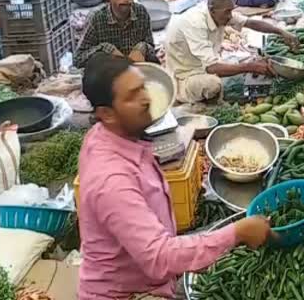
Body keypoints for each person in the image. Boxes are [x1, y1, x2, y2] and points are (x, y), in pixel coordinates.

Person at [77, 55, 273, 299]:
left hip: (149, 279)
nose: (146, 99)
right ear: (106, 113)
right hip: (127, 293)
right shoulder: (111, 180)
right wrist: (237, 233)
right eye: (131, 96)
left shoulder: (110, 134)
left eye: (143, 88)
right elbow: (159, 256)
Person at [165, 0, 298, 103]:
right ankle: (193, 97)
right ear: (212, 10)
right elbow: (212, 68)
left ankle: (238, 88)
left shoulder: (220, 14)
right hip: (186, 76)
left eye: (231, 10)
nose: (230, 16)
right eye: (227, 12)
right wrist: (249, 67)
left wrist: (281, 32)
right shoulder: (195, 24)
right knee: (213, 84)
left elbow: (250, 23)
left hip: (205, 65)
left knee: (248, 64)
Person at [74, 0, 156, 69]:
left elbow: (152, 47)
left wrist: (143, 47)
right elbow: (78, 59)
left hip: (135, 72)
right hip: (108, 75)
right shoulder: (97, 18)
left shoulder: (141, 13)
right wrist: (105, 49)